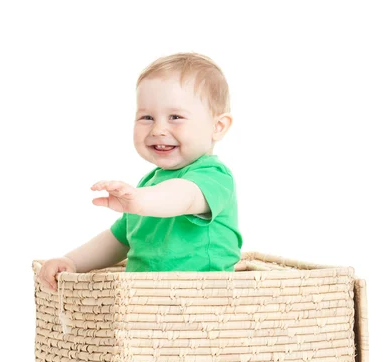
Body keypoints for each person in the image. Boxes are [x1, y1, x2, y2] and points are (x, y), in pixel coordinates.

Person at [38, 52, 243, 293]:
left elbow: (183, 197)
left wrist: (140, 199)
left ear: (217, 127)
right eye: (146, 117)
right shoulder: (150, 183)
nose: (158, 129)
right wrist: (72, 261)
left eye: (175, 117)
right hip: (142, 307)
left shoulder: (214, 175)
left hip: (198, 303)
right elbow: (119, 239)